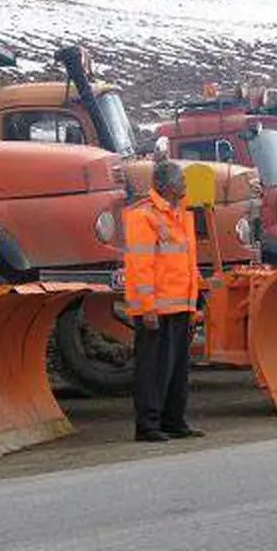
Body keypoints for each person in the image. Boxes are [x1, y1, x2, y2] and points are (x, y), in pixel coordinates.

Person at [122, 159, 204, 442]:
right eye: (182, 181)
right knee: (154, 369)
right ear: (169, 186)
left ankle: (173, 420)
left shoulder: (178, 214)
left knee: (177, 370)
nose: (185, 185)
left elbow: (187, 263)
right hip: (157, 308)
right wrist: (148, 308)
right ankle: (148, 425)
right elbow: (140, 266)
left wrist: (193, 304)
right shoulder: (144, 216)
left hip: (179, 304)